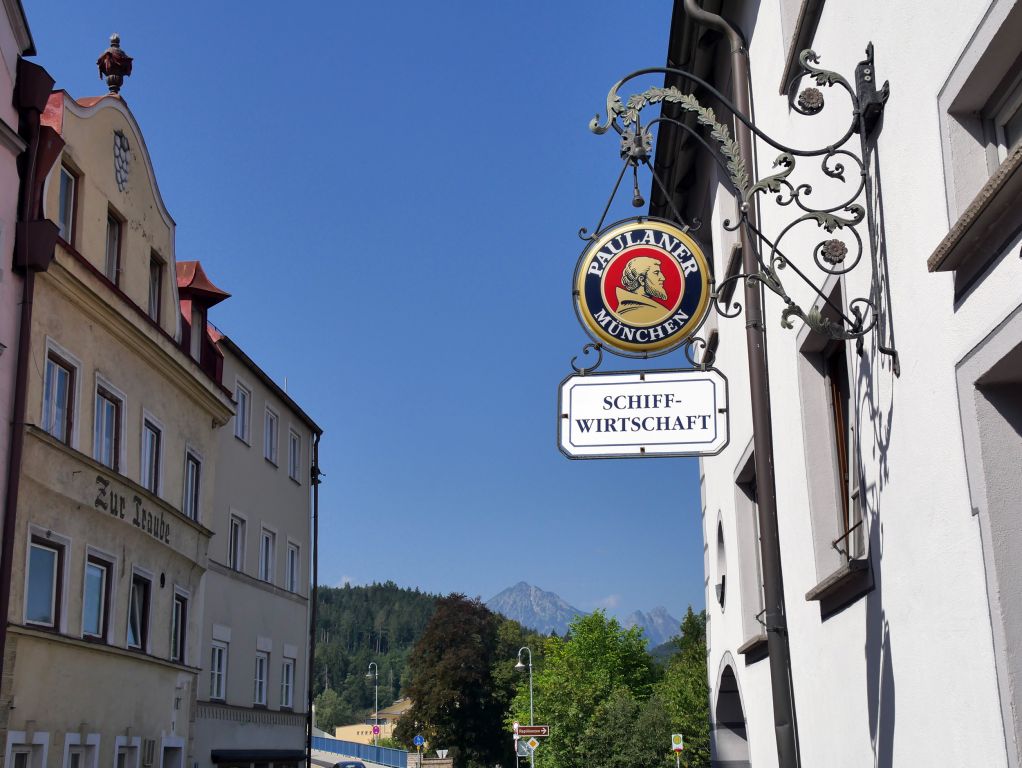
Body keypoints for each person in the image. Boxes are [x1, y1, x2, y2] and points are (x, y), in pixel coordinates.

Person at [615, 256, 672, 324]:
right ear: (641, 280)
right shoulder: (646, 311)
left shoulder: (629, 307)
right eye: (656, 273)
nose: (663, 278)